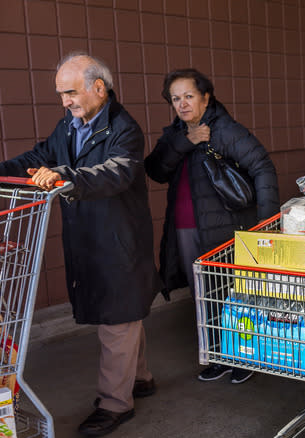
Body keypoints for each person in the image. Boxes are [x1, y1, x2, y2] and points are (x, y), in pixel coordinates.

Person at [0, 52, 161, 436]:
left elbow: (116, 173)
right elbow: (40, 156)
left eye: (70, 92)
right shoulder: (69, 127)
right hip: (88, 236)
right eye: (61, 94)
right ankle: (140, 378)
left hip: (118, 239)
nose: (65, 101)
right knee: (123, 315)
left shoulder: (124, 128)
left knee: (117, 319)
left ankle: (115, 404)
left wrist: (63, 176)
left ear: (98, 88)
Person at [145, 69, 279, 385]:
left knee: (233, 295)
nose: (182, 104)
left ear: (206, 97)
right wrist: (184, 142)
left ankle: (243, 357)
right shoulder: (177, 133)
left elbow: (262, 167)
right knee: (203, 295)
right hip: (186, 228)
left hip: (226, 227)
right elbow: (155, 170)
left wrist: (267, 222)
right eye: (175, 98)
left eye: (189, 96)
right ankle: (218, 356)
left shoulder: (225, 129)